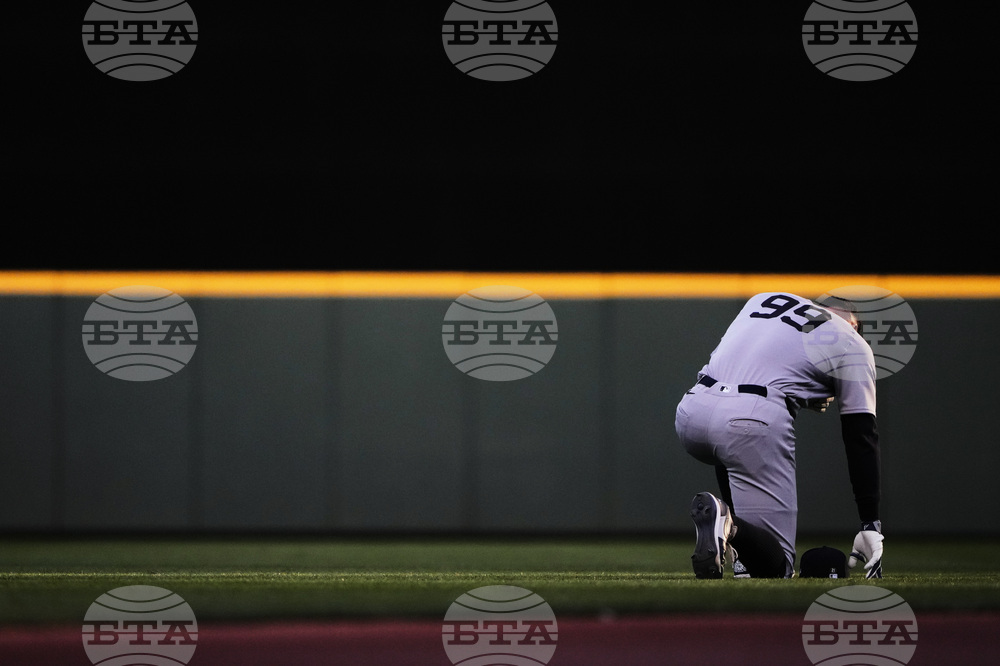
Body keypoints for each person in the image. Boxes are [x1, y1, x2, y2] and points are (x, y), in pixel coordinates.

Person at [674, 291, 884, 579]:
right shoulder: (852, 342)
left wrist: (803, 393)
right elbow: (861, 435)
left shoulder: (765, 299)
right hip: (749, 420)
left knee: (730, 443)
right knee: (778, 566)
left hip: (692, 410)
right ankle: (729, 524)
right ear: (853, 325)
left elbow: (758, 367)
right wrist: (869, 520)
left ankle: (739, 547)